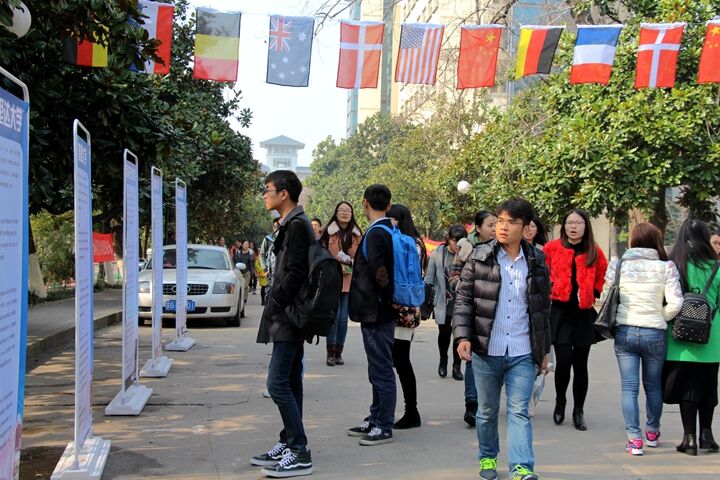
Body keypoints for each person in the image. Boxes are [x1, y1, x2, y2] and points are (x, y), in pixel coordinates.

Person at [454, 198, 551, 480]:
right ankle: (487, 458)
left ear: (526, 227)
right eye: (500, 221)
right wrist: (462, 336)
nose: (503, 227)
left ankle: (521, 467)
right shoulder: (480, 257)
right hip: (487, 350)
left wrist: (543, 352)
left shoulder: (537, 262)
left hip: (522, 350)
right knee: (486, 411)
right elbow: (464, 301)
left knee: (519, 411)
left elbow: (543, 311)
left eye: (511, 222)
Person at [601, 223, 683, 456]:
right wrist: (660, 315)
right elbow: (676, 303)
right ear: (656, 240)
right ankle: (652, 433)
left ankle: (634, 440)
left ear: (633, 240)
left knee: (629, 387)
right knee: (653, 385)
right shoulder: (666, 267)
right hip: (654, 332)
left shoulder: (618, 265)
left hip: (625, 331)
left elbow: (606, 296)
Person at [253, 170, 313, 477]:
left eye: (268, 190)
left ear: (284, 194)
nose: (265, 195)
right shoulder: (291, 223)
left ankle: (300, 450)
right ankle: (289, 442)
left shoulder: (297, 225)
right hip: (289, 313)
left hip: (289, 314)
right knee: (290, 381)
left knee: (276, 383)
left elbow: (296, 272)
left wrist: (276, 303)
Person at [543, 208, 607, 431]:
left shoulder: (594, 251)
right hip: (559, 313)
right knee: (563, 362)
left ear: (585, 226)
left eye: (578, 223)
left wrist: (594, 290)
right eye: (570, 222)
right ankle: (560, 401)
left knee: (581, 365)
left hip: (582, 313)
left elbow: (602, 273)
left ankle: (578, 410)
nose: (573, 226)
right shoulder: (552, 248)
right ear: (564, 225)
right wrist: (551, 288)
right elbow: (542, 273)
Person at [664, 219, 720, 456]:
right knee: (709, 387)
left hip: (681, 336)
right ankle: (707, 435)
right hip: (712, 337)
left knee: (688, 388)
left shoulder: (675, 266)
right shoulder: (717, 267)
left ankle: (689, 439)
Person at [347, 184, 396, 446]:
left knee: (381, 369)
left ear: (364, 202)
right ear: (389, 205)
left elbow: (380, 273)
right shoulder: (388, 229)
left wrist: (385, 299)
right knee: (377, 368)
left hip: (377, 310)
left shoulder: (377, 233)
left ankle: (383, 425)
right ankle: (376, 416)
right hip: (378, 309)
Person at [386, 204, 426, 430]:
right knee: (399, 360)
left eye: (391, 219)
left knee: (401, 360)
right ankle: (409, 410)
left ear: (399, 219)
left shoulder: (407, 243)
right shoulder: (414, 241)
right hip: (407, 307)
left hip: (403, 308)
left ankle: (411, 411)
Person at [318, 201, 362, 367]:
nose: (344, 213)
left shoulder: (357, 234)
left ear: (352, 214)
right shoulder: (327, 233)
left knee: (343, 318)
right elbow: (321, 254)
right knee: (334, 317)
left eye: (347, 210)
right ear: (336, 213)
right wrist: (335, 263)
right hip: (332, 279)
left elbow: (362, 257)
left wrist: (349, 263)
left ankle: (338, 352)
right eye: (341, 210)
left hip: (349, 281)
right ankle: (330, 353)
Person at [426, 225, 468, 380]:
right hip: (443, 301)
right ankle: (443, 360)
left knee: (459, 335)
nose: (457, 244)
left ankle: (457, 367)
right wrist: (426, 300)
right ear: (449, 239)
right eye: (454, 240)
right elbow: (429, 278)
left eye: (460, 241)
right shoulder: (438, 254)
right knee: (444, 333)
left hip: (462, 301)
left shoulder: (468, 254)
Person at [235, 240, 254, 304]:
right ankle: (242, 298)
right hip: (239, 272)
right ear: (242, 245)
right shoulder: (238, 252)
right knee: (241, 286)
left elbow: (252, 262)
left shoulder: (251, 253)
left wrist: (252, 271)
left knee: (245, 285)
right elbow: (236, 261)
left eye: (247, 244)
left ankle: (243, 298)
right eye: (245, 244)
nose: (246, 245)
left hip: (247, 272)